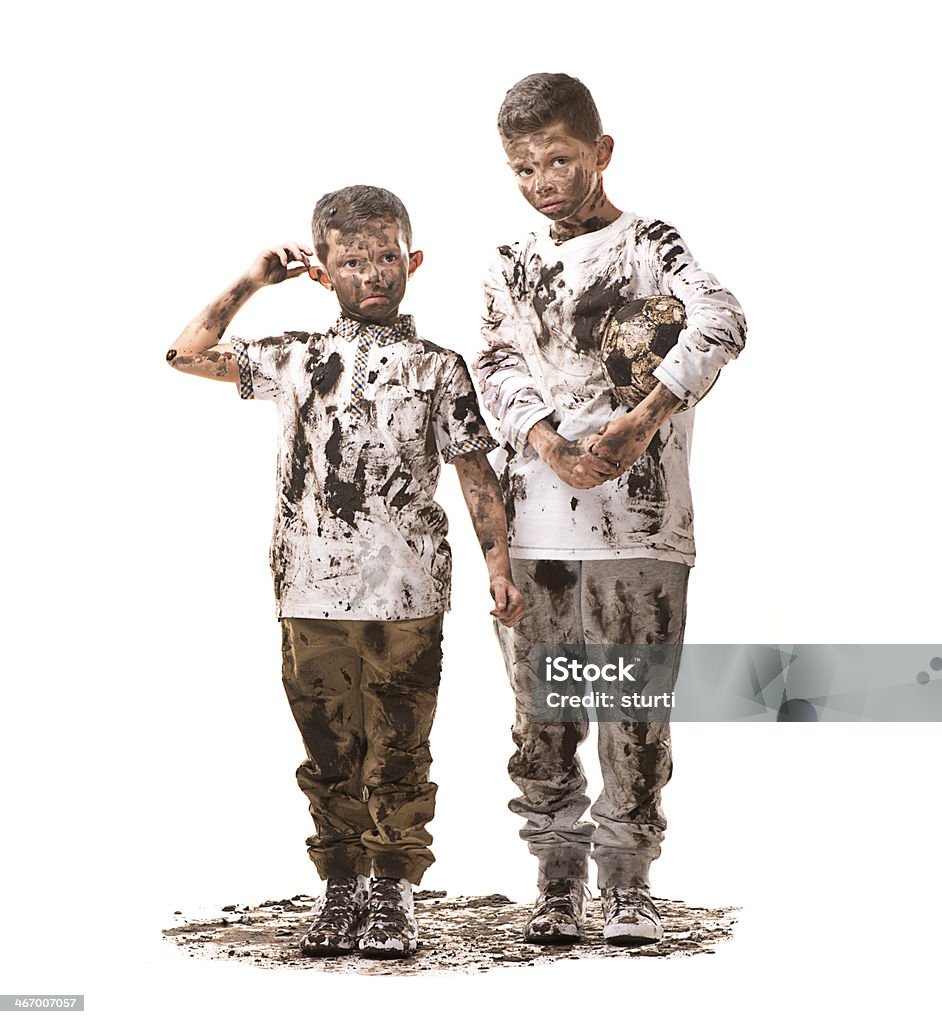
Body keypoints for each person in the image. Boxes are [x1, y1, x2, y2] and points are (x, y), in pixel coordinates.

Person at [167, 185, 525, 960]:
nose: (373, 273)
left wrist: (498, 566)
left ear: (412, 261)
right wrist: (251, 282)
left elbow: (473, 473)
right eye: (353, 260)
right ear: (324, 272)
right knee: (328, 746)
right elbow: (184, 354)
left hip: (407, 591)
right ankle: (339, 886)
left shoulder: (438, 368)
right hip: (309, 587)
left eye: (387, 257)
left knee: (399, 746)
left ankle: (393, 890)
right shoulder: (294, 356)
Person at [476, 74, 746, 947]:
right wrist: (548, 443)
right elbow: (494, 364)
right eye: (522, 167)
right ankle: (556, 879)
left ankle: (627, 881)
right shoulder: (512, 262)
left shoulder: (652, 245)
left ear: (600, 152)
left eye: (557, 158)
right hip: (535, 527)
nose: (542, 180)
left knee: (631, 706)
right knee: (541, 710)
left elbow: (720, 319)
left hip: (642, 523)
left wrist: (643, 418)